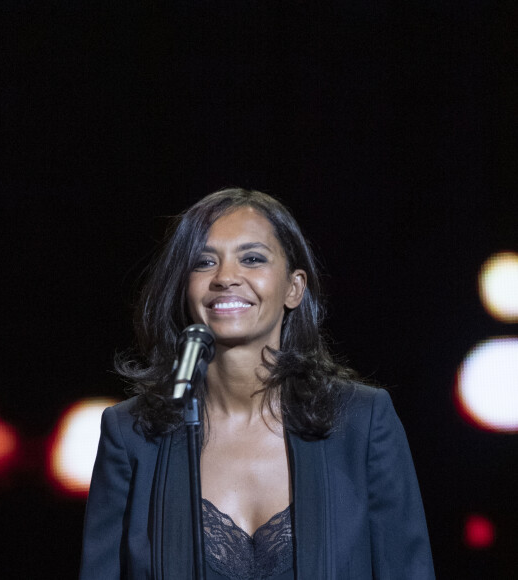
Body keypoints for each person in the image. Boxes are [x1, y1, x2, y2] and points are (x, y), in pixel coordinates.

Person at [79, 188, 435, 580]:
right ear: (184, 288)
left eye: (252, 259)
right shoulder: (131, 434)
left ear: (293, 288)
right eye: (203, 262)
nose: (226, 277)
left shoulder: (363, 421)